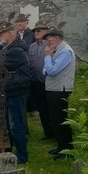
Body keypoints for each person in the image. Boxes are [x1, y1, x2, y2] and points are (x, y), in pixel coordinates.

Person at [0, 21, 30, 164]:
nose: (0, 37)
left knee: (16, 125)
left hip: (16, 91)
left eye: (2, 34)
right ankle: (7, 151)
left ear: (10, 34)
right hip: (9, 90)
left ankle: (22, 156)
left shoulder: (15, 50)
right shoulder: (8, 49)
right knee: (7, 124)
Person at [42, 27, 75, 160]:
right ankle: (61, 146)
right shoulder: (56, 50)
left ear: (57, 38)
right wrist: (49, 62)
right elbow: (45, 70)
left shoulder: (65, 51)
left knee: (61, 120)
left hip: (60, 90)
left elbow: (52, 70)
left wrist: (48, 57)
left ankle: (67, 150)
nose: (47, 42)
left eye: (49, 38)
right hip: (53, 88)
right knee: (55, 119)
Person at [28, 21, 54, 141]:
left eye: (39, 31)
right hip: (36, 81)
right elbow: (30, 63)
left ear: (46, 31)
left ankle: (54, 132)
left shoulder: (50, 46)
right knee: (42, 109)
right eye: (35, 31)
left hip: (48, 81)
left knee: (50, 108)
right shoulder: (32, 46)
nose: (36, 33)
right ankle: (47, 132)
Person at [15, 13, 36, 114]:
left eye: (21, 21)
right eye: (18, 22)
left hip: (29, 61)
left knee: (30, 85)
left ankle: (33, 107)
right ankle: (26, 106)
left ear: (26, 22)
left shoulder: (31, 34)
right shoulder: (16, 35)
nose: (19, 23)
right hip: (19, 63)